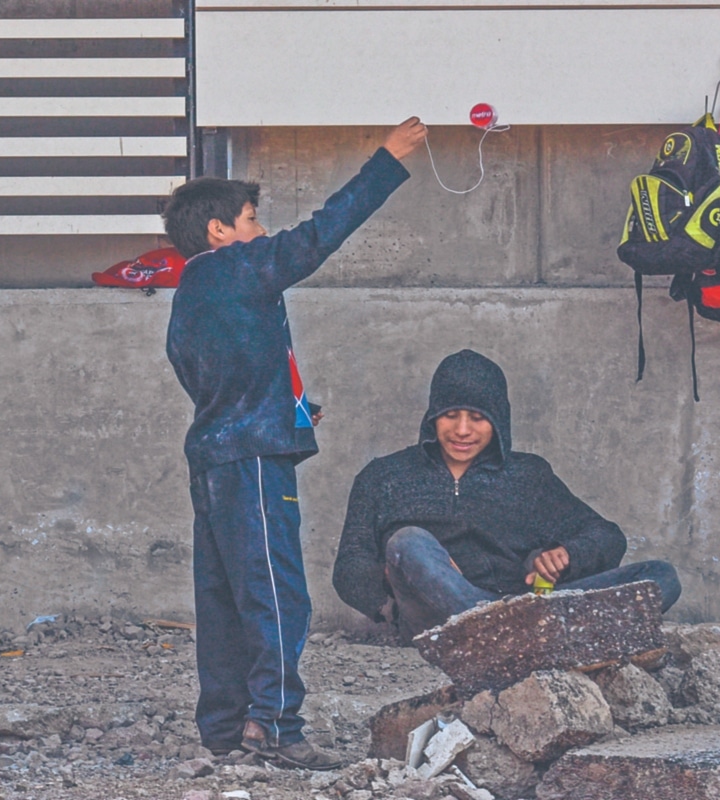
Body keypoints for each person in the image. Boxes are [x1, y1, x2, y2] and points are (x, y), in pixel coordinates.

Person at [162, 117, 428, 768]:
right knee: (278, 594)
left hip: (214, 457)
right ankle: (276, 728)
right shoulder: (240, 265)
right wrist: (386, 162)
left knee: (223, 597)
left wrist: (289, 409)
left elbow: (213, 374)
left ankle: (225, 729)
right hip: (253, 459)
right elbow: (318, 236)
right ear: (221, 231)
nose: (260, 232)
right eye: (251, 220)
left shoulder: (190, 290)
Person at [332, 349, 682, 641]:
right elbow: (349, 566)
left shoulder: (528, 476)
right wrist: (400, 579)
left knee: (659, 576)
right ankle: (500, 629)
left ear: (498, 421)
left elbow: (607, 537)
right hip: (433, 620)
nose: (462, 430)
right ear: (432, 419)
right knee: (409, 542)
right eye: (450, 416)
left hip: (522, 607)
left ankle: (507, 630)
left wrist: (567, 555)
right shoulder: (384, 476)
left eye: (478, 418)